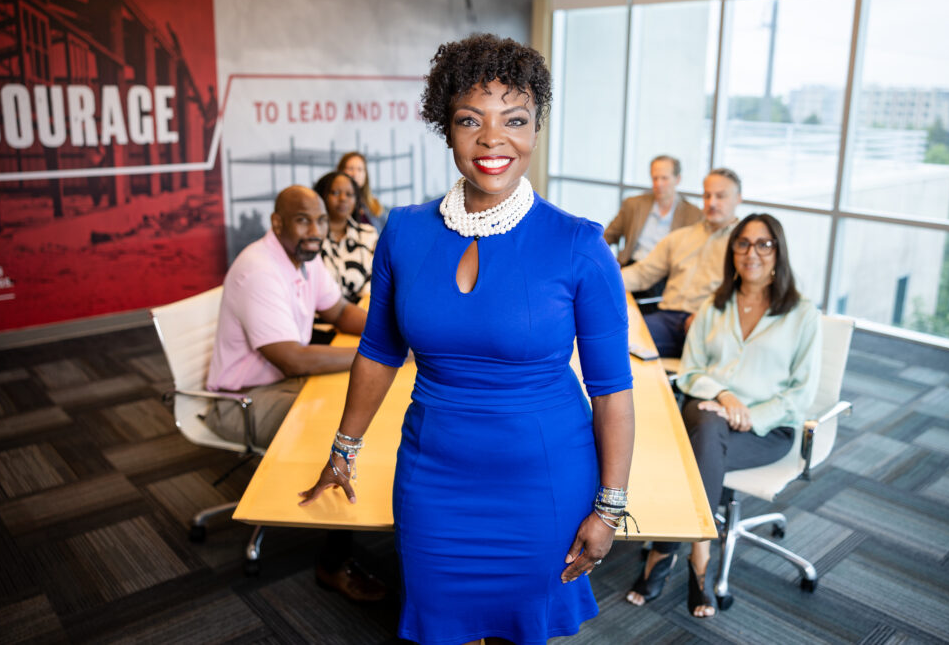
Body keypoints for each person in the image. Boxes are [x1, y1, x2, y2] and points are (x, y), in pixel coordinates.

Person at [299, 33, 636, 645]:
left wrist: (609, 508)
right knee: (441, 627)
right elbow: (378, 350)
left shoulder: (579, 246)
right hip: (435, 477)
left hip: (544, 481)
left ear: (536, 129)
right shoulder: (402, 231)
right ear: (445, 126)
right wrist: (344, 447)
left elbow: (612, 391)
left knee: (523, 631)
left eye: (515, 120)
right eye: (469, 120)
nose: (491, 139)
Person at [625, 213, 821, 618]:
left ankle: (666, 551)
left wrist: (750, 413)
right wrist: (726, 395)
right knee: (708, 423)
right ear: (732, 251)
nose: (752, 253)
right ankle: (701, 561)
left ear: (778, 252)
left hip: (766, 430)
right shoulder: (713, 306)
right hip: (708, 410)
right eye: (743, 243)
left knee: (695, 448)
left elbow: (801, 393)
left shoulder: (802, 313)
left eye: (763, 244)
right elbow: (692, 371)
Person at [206, 184, 384, 602]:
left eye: (321, 220)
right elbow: (294, 361)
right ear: (277, 223)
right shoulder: (260, 269)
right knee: (336, 430)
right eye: (304, 219)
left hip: (279, 383)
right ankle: (334, 564)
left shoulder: (304, 257)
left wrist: (392, 330)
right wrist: (378, 355)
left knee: (357, 407)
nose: (316, 230)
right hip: (243, 400)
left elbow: (338, 311)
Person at [621, 168, 742, 358]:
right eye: (707, 195)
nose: (712, 203)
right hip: (667, 319)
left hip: (711, 325)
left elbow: (745, 298)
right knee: (615, 340)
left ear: (738, 199)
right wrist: (600, 282)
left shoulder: (744, 247)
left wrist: (707, 317)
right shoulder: (681, 237)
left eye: (720, 196)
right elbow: (643, 273)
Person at [604, 155, 702, 266]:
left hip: (666, 273)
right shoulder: (633, 205)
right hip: (631, 264)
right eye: (655, 178)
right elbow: (607, 236)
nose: (658, 184)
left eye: (664, 178)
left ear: (678, 179)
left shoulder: (693, 214)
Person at [313, 171, 378, 303]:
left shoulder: (368, 235)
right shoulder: (310, 237)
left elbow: (377, 280)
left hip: (362, 317)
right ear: (321, 196)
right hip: (317, 321)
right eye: (335, 193)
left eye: (349, 194)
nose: (343, 198)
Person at [336, 151, 388, 232]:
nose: (355, 174)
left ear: (365, 175)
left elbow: (387, 235)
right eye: (350, 168)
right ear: (341, 172)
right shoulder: (335, 204)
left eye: (360, 169)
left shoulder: (374, 205)